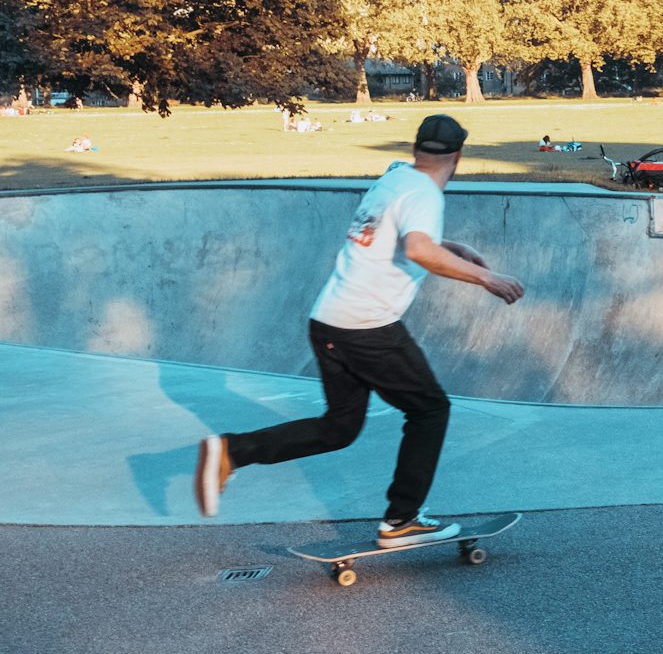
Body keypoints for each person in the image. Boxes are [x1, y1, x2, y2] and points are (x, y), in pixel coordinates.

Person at [193, 115, 525, 546]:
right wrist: (487, 278)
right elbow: (418, 248)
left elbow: (395, 235)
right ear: (458, 157)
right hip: (368, 327)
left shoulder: (396, 176)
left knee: (339, 428)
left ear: (416, 149)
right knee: (430, 410)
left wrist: (452, 247)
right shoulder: (426, 193)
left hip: (329, 321)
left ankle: (231, 451)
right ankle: (402, 520)